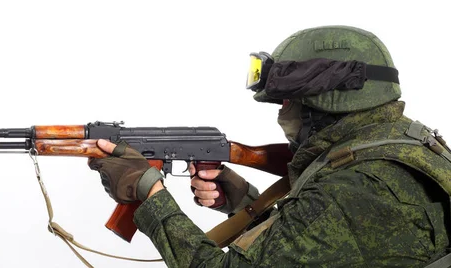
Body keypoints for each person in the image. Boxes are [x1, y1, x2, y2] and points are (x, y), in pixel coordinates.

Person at [88, 25, 451, 267]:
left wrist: (149, 192)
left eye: (289, 100)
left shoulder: (354, 189)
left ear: (326, 102)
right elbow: (315, 246)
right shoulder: (397, 142)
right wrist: (244, 202)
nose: (283, 110)